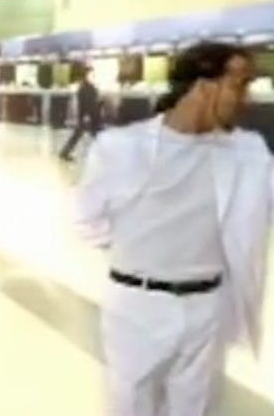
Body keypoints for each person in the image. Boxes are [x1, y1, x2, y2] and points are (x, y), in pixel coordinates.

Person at [75, 41, 267, 416]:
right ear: (204, 85)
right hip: (137, 306)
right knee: (131, 405)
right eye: (240, 84)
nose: (247, 98)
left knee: (195, 407)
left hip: (206, 307)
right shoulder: (121, 147)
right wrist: (141, 254)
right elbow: (86, 220)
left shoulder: (248, 151)